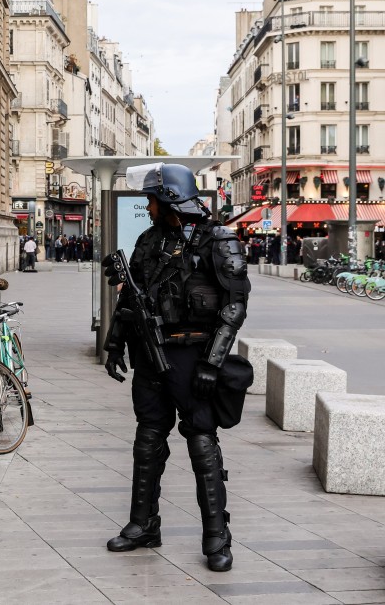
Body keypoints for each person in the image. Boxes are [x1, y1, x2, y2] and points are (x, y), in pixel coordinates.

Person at [102, 162, 250, 573]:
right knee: (147, 439)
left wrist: (212, 362)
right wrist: (115, 344)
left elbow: (234, 306)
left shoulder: (218, 241)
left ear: (169, 200)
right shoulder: (149, 241)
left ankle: (217, 537)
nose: (147, 207)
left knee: (202, 444)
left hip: (194, 356)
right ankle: (143, 524)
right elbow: (129, 298)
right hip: (151, 355)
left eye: (151, 199)